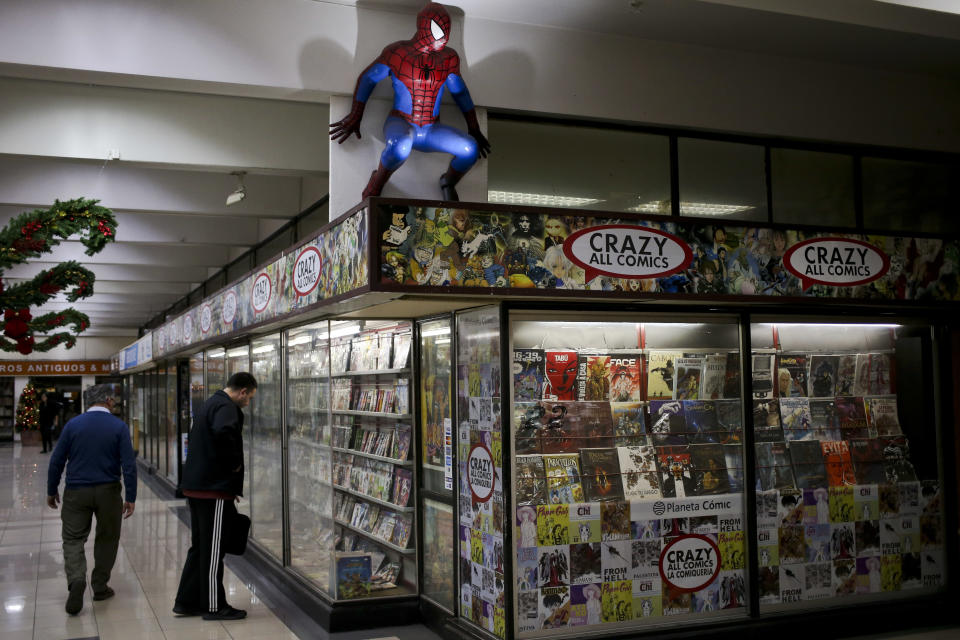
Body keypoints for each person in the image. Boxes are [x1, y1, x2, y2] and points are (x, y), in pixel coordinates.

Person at [46, 384, 137, 615]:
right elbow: (129, 465)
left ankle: (77, 580)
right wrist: (131, 496)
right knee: (107, 538)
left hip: (77, 492)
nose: (114, 402)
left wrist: (51, 489)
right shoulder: (118, 427)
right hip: (108, 491)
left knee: (73, 538)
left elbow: (57, 460)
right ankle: (99, 586)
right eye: (113, 399)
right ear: (107, 400)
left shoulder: (73, 425)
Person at [174, 372, 257, 621]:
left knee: (200, 547)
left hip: (198, 487)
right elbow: (224, 434)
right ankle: (214, 605)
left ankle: (186, 601)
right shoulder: (226, 407)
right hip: (213, 490)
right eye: (249, 397)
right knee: (213, 550)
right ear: (242, 391)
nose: (248, 402)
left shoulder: (209, 403)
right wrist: (232, 469)